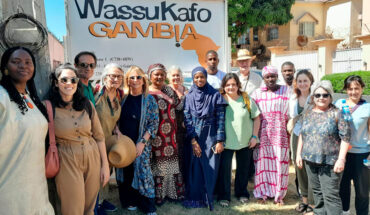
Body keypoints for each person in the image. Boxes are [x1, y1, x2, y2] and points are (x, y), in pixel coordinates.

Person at [47, 63, 110, 215]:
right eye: (64, 80)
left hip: (92, 155)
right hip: (67, 159)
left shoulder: (87, 104)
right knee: (72, 207)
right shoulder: (48, 106)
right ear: (56, 82)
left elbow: (99, 137)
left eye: (73, 80)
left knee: (89, 207)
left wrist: (105, 166)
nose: (69, 84)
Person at [0, 46, 54, 214]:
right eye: (16, 62)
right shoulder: (2, 96)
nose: (23, 65)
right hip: (9, 188)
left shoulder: (29, 97)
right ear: (5, 68)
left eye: (28, 62)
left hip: (35, 186)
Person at [296, 80, 351, 215]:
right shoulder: (308, 111)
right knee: (317, 195)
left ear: (330, 96)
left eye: (325, 95)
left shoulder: (337, 113)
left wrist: (341, 160)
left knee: (331, 197)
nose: (321, 98)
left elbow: (346, 138)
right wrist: (298, 154)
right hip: (310, 160)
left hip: (330, 162)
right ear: (313, 97)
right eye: (318, 95)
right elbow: (303, 134)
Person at [116, 66, 159, 215]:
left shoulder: (149, 99)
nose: (135, 80)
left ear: (143, 80)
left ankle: (147, 206)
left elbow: (154, 123)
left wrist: (142, 142)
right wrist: (117, 130)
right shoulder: (123, 98)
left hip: (141, 143)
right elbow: (116, 117)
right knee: (126, 171)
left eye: (138, 77)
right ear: (127, 80)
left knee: (143, 172)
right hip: (123, 143)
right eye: (131, 78)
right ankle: (130, 201)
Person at [183, 66, 227, 210]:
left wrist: (220, 140)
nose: (199, 79)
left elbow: (221, 118)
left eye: (202, 77)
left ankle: (208, 196)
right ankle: (195, 197)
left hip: (211, 135)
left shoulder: (214, 95)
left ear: (206, 78)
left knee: (211, 167)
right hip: (194, 135)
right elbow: (187, 117)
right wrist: (193, 140)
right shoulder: (189, 96)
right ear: (193, 79)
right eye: (196, 77)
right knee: (195, 166)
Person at [217, 73, 261, 207]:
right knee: (225, 171)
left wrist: (254, 137)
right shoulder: (219, 100)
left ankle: (242, 193)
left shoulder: (246, 99)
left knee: (243, 169)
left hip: (245, 141)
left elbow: (256, 117)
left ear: (238, 85)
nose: (231, 87)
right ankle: (224, 196)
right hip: (226, 142)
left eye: (233, 84)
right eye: (228, 85)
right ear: (224, 86)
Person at [251, 66, 291, 205]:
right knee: (262, 164)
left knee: (279, 163)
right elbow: (253, 115)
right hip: (263, 135)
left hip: (281, 135)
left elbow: (290, 112)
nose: (270, 79)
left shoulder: (286, 90)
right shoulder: (257, 94)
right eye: (267, 77)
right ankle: (262, 193)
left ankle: (278, 194)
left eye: (273, 76)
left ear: (277, 76)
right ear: (263, 78)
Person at [147, 63, 185, 204]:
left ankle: (173, 194)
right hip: (156, 136)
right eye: (156, 74)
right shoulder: (147, 93)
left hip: (172, 137)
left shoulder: (169, 90)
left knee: (172, 164)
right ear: (150, 76)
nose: (159, 77)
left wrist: (184, 92)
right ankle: (160, 196)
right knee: (159, 166)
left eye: (162, 74)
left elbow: (179, 106)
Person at [335, 75, 369, 215]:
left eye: (357, 88)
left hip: (362, 154)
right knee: (343, 187)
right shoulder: (339, 104)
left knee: (362, 191)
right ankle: (345, 212)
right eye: (350, 89)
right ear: (346, 90)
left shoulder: (367, 107)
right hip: (342, 154)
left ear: (362, 89)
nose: (353, 92)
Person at [94, 63, 124, 213]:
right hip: (95, 140)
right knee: (96, 172)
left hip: (109, 140)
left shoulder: (119, 94)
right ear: (105, 76)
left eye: (119, 76)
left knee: (107, 170)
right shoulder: (97, 91)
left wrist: (116, 127)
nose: (116, 79)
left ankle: (103, 199)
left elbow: (114, 117)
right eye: (113, 75)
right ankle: (95, 204)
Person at [289, 70, 314, 213]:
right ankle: (304, 200)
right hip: (296, 135)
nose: (303, 84)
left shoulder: (316, 97)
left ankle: (312, 202)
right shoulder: (293, 98)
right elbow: (291, 117)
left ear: (310, 81)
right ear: (296, 83)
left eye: (305, 81)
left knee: (311, 168)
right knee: (299, 167)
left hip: (312, 137)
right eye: (300, 81)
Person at [167, 66, 188, 181]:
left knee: (182, 155)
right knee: (171, 156)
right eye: (173, 75)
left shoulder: (186, 90)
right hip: (169, 128)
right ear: (169, 77)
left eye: (177, 75)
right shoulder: (165, 90)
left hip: (183, 128)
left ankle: (182, 183)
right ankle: (173, 184)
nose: (176, 77)